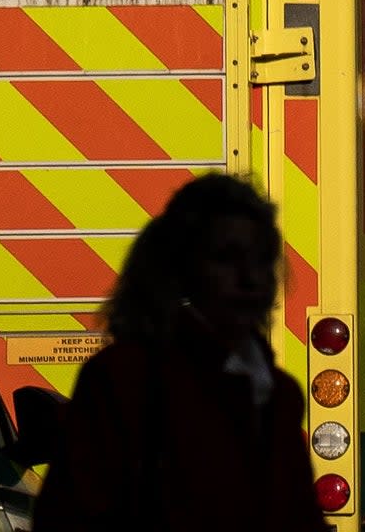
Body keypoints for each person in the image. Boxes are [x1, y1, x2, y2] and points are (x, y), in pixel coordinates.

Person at [32, 171, 326, 532]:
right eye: (227, 259)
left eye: (261, 259)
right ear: (185, 269)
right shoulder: (126, 378)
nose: (251, 277)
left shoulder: (279, 394)